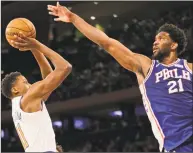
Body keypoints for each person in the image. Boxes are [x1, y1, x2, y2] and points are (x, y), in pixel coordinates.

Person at [47, 2, 193, 152]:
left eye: (161, 38)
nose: (155, 42)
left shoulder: (189, 68)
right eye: (155, 39)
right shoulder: (146, 67)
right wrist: (73, 18)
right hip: (176, 146)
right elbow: (107, 43)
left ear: (174, 45)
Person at [1, 33, 72, 152]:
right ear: (15, 89)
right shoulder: (28, 98)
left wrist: (34, 49)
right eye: (25, 82)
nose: (30, 85)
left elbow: (48, 79)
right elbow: (65, 67)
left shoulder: (20, 105)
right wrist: (38, 45)